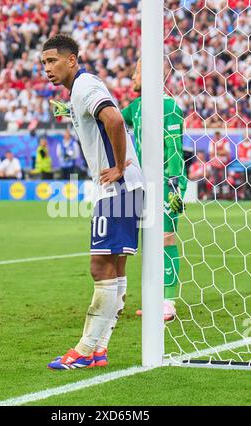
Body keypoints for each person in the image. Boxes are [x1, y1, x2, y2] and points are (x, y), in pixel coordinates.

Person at [41, 34, 144, 370]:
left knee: (100, 266)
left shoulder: (85, 84)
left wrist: (116, 167)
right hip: (125, 188)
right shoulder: (80, 90)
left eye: (53, 61)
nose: (47, 69)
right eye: (44, 63)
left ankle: (85, 350)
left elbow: (113, 119)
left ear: (73, 60)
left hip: (116, 188)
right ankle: (99, 350)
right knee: (114, 267)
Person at [122, 59, 187, 321]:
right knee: (149, 243)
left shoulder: (169, 107)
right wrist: (75, 111)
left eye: (137, 70)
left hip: (164, 184)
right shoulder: (136, 107)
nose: (132, 76)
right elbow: (110, 117)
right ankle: (154, 297)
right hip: (141, 185)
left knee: (165, 238)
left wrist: (175, 185)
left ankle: (168, 302)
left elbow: (175, 148)